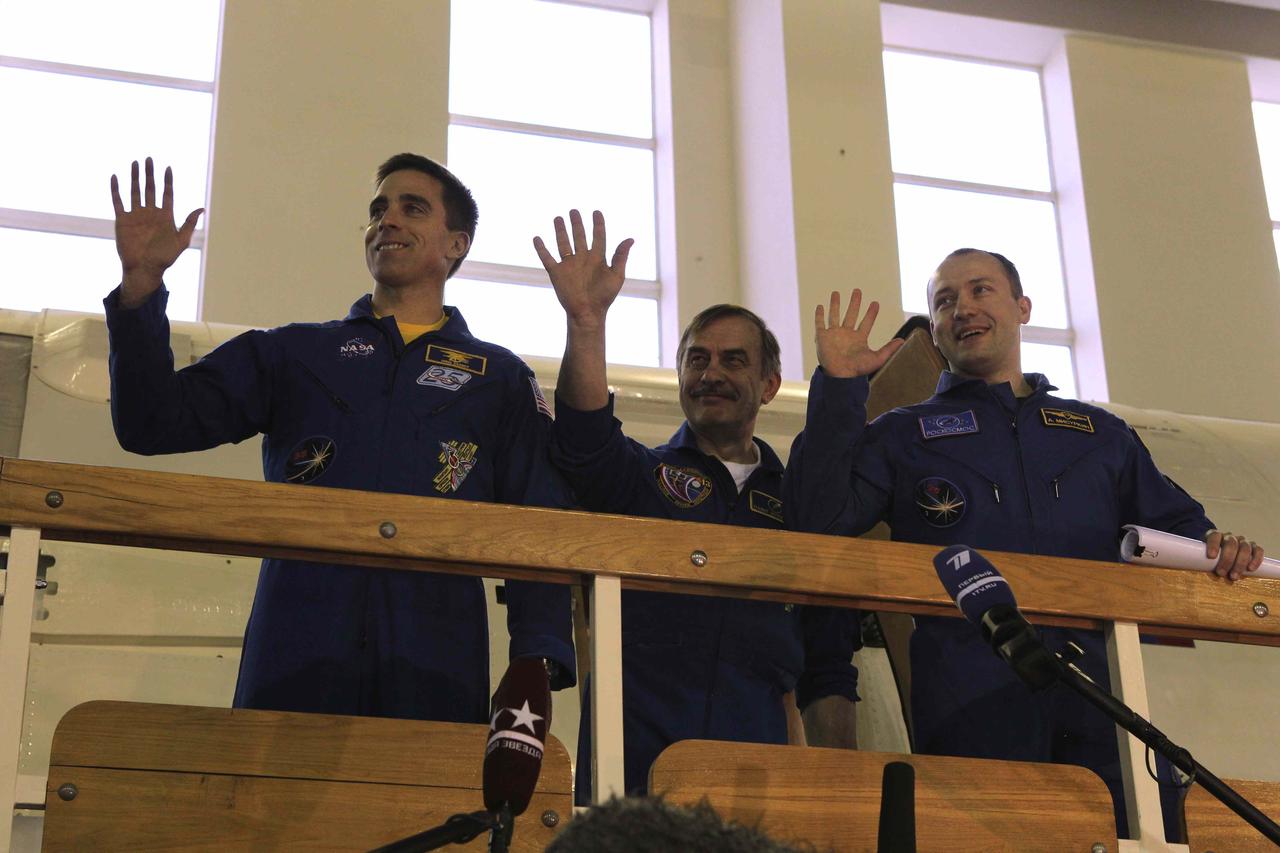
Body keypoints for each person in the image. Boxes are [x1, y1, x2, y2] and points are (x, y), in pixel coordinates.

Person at [783, 249, 1265, 837]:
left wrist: (1225, 548)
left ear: (1022, 307)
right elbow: (818, 520)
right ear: (933, 329)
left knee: (1146, 836)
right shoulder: (902, 434)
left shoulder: (1099, 435)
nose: (962, 308)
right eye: (944, 301)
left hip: (1102, 697)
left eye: (981, 290)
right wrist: (837, 388)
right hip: (970, 702)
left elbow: (1182, 532)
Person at [105, 154, 575, 723]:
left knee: (426, 809)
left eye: (412, 208)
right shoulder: (295, 353)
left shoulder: (499, 378)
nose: (388, 221)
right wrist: (141, 288)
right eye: (379, 210)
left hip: (434, 654)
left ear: (457, 244)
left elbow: (539, 517)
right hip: (297, 644)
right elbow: (151, 423)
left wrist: (536, 654)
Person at [535, 209, 860, 803]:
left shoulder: (794, 504)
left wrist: (835, 800)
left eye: (734, 360)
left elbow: (828, 662)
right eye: (697, 359)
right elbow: (583, 444)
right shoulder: (642, 478)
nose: (712, 373)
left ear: (767, 385)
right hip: (631, 778)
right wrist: (586, 323)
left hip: (757, 783)